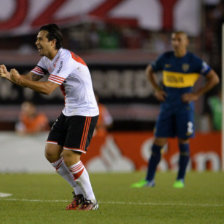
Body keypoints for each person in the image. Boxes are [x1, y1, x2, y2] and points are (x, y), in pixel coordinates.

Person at [0, 24, 99, 210]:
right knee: (51, 152)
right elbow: (31, 77)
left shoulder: (65, 59)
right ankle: (78, 193)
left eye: (40, 39)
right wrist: (11, 77)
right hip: (70, 110)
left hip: (85, 111)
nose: (36, 42)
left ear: (52, 42)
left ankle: (91, 200)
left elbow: (48, 89)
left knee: (70, 157)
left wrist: (21, 81)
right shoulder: (47, 60)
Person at [131, 31, 219, 188]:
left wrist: (197, 94)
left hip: (184, 108)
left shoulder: (194, 61)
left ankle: (180, 179)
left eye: (179, 40)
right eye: (173, 40)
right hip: (166, 107)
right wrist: (157, 89)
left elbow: (214, 78)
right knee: (158, 141)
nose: (175, 42)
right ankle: (149, 179)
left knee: (183, 141)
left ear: (186, 42)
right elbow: (149, 70)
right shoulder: (165, 58)